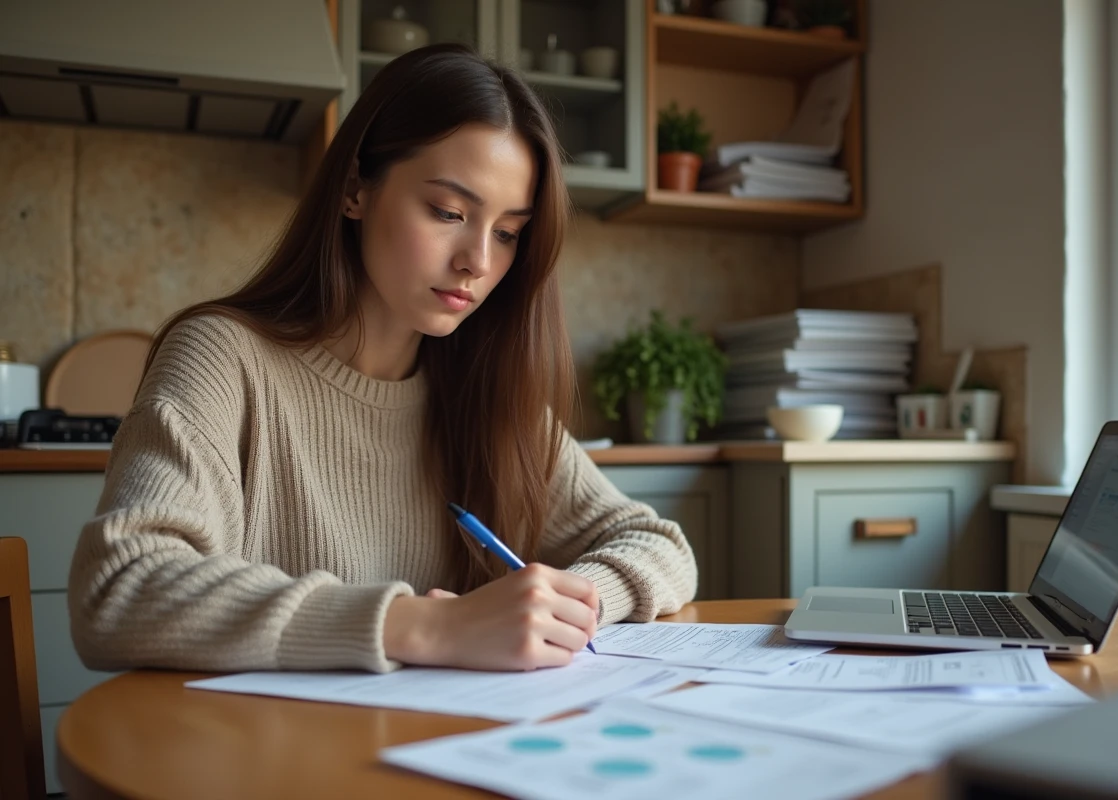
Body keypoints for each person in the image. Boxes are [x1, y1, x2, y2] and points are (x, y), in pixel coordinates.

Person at [68, 44, 697, 675]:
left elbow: (661, 546)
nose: (478, 261)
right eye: (448, 212)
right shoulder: (223, 359)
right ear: (354, 191)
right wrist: (428, 626)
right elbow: (119, 590)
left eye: (507, 233)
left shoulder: (483, 389)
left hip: (431, 755)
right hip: (259, 762)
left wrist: (566, 607)